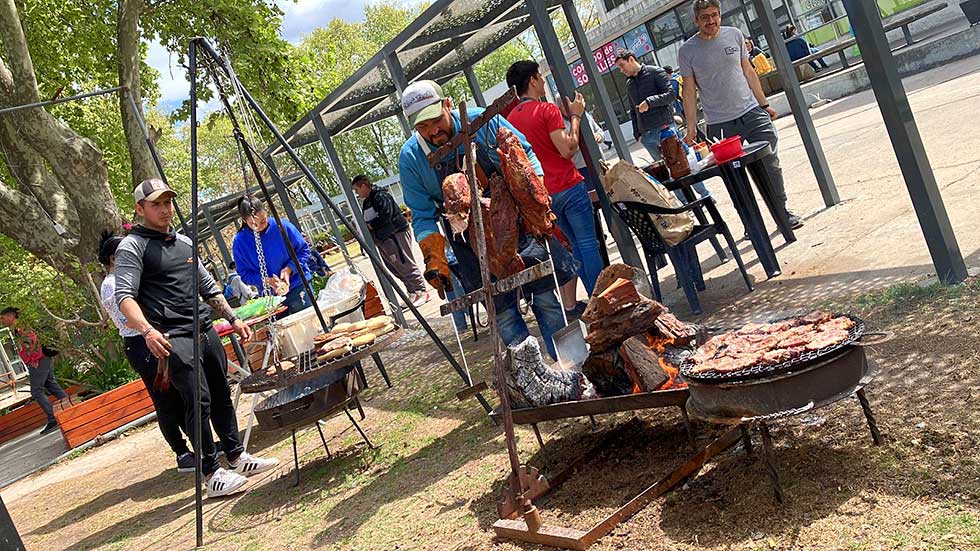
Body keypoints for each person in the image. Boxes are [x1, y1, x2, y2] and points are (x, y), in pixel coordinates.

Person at [115, 178, 278, 498]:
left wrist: (233, 318)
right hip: (173, 337)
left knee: (221, 392)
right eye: (156, 204)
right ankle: (211, 471)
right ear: (140, 209)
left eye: (168, 202)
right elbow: (124, 297)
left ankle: (236, 455)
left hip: (206, 329)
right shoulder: (132, 247)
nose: (164, 209)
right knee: (197, 400)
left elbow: (208, 287)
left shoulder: (184, 242)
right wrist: (147, 331)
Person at [398, 80, 577, 361]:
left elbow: (526, 152)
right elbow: (422, 215)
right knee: (504, 314)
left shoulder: (481, 120)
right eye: (423, 127)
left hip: (517, 223)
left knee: (546, 299)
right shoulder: (411, 158)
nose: (433, 131)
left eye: (436, 120)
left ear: (448, 105)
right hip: (469, 241)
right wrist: (433, 256)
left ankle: (574, 363)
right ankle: (533, 374)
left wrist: (535, 192)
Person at [678, 0, 804, 229]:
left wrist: (764, 105)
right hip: (719, 123)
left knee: (770, 162)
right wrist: (691, 127)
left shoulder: (734, 35)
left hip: (751, 111)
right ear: (696, 20)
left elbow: (748, 71)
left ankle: (782, 213)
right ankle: (752, 224)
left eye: (715, 15)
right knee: (735, 176)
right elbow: (688, 90)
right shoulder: (687, 51)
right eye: (705, 17)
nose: (711, 21)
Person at [505, 60, 602, 300]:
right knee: (588, 243)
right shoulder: (546, 110)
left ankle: (594, 299)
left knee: (576, 246)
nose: (543, 81)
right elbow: (567, 149)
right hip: (568, 185)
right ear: (532, 81)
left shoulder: (511, 120)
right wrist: (576, 116)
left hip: (545, 195)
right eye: (540, 76)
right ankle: (605, 297)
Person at [98, 232, 195, 473]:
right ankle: (181, 453)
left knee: (180, 391)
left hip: (158, 337)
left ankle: (198, 445)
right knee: (164, 399)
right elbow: (125, 320)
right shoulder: (112, 285)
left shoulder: (134, 277)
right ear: (114, 258)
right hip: (141, 345)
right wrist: (151, 322)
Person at [615, 50, 711, 200]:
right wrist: (637, 134)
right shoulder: (629, 84)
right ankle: (687, 203)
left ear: (631, 59)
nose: (621, 70)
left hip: (665, 128)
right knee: (666, 173)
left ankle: (705, 195)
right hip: (646, 135)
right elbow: (633, 111)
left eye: (622, 65)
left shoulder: (655, 72)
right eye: (619, 68)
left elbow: (671, 95)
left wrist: (650, 102)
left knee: (682, 162)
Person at [351, 176, 430, 308]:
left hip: (395, 234)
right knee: (395, 267)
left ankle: (421, 291)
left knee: (404, 263)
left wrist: (371, 225)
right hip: (383, 238)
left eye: (357, 190)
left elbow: (386, 215)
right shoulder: (368, 201)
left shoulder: (380, 196)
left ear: (363, 186)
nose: (357, 193)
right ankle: (412, 292)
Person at [232, 195, 313, 316]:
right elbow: (244, 274)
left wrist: (289, 269)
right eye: (253, 224)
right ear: (244, 221)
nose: (259, 226)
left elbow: (304, 250)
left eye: (263, 220)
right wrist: (266, 280)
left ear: (265, 212)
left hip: (298, 285)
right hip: (270, 297)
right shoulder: (240, 242)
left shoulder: (283, 226)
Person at [0, 307, 68, 435]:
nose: (2, 321)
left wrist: (35, 359)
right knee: (51, 385)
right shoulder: (16, 328)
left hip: (39, 360)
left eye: (3, 318)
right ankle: (70, 409)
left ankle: (53, 418)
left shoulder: (21, 327)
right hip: (41, 359)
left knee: (36, 391)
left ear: (10, 316)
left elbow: (33, 341)